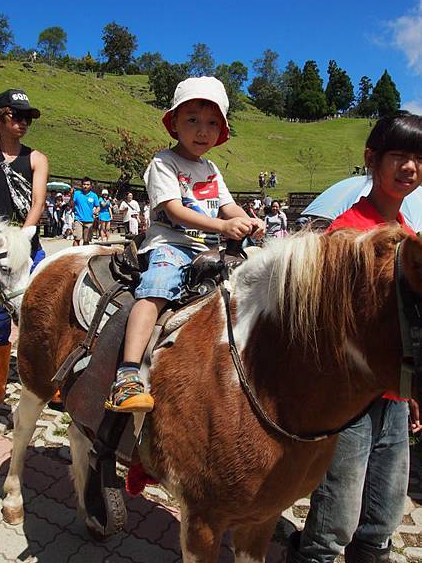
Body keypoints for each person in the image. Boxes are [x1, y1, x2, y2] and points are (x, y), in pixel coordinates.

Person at [287, 111, 422, 563]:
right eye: (399, 156)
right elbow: (323, 326)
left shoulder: (409, 236)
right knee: (334, 522)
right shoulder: (346, 232)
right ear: (372, 158)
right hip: (349, 402)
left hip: (395, 401)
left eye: (419, 159)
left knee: (382, 520)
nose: (411, 168)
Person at [106, 76, 264, 413]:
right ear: (174, 123)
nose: (202, 131)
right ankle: (128, 374)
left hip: (210, 248)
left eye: (211, 123)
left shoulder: (211, 168)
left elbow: (229, 205)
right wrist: (223, 225)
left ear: (220, 132)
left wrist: (248, 219)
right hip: (171, 243)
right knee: (157, 289)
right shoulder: (164, 163)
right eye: (192, 120)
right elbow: (175, 212)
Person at [0, 89, 48, 404]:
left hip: (26, 242)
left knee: (43, 310)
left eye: (27, 117)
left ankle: (50, 381)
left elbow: (38, 202)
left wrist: (25, 235)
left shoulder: (37, 158)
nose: (22, 123)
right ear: (0, 117)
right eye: (16, 116)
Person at [72, 177, 99, 246]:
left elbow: (98, 206)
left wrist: (96, 211)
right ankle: (75, 254)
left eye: (87, 184)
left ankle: (84, 256)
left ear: (90, 186)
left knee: (86, 240)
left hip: (89, 220)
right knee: (77, 239)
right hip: (78, 219)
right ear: (82, 185)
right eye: (84, 184)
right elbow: (71, 204)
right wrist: (71, 196)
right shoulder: (77, 193)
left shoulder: (94, 195)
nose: (85, 186)